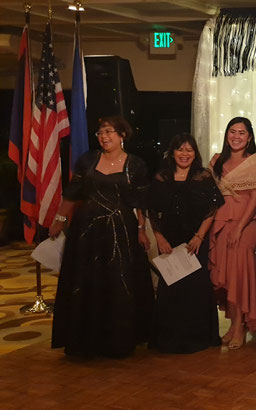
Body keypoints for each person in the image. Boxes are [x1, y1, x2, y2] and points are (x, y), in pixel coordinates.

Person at [49, 116, 154, 357]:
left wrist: (141, 230)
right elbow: (72, 193)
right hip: (87, 233)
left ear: (122, 135)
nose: (104, 137)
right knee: (87, 284)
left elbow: (139, 202)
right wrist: (60, 220)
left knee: (119, 284)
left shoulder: (136, 165)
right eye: (100, 133)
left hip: (121, 233)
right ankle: (86, 340)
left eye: (109, 132)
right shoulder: (88, 160)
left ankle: (118, 341)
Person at [148, 133, 224, 354]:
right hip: (169, 242)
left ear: (195, 154)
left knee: (196, 290)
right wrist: (159, 237)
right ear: (172, 153)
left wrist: (199, 236)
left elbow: (212, 209)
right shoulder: (162, 177)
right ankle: (169, 337)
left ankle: (197, 336)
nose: (184, 154)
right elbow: (152, 209)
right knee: (170, 289)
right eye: (180, 149)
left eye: (189, 150)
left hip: (194, 242)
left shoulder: (203, 176)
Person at [208, 117, 256, 350]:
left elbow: (255, 199)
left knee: (240, 275)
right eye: (232, 131)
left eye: (242, 133)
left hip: (245, 224)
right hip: (221, 222)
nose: (236, 136)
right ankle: (233, 326)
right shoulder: (216, 161)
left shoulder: (255, 162)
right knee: (225, 276)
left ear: (250, 137)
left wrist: (240, 228)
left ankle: (241, 326)